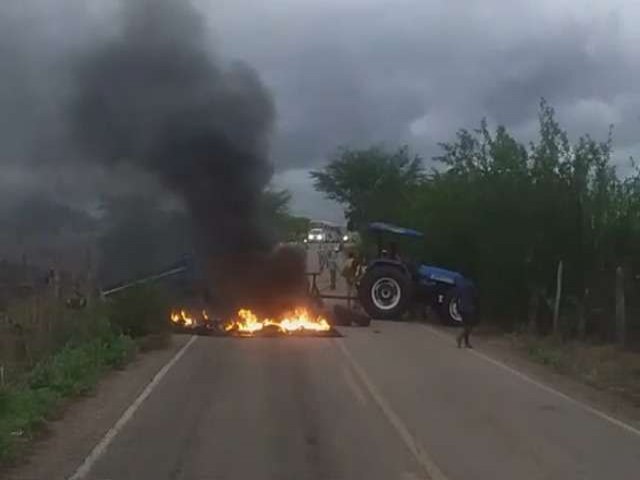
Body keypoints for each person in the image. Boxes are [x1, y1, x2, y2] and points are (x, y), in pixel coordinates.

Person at [455, 279, 478, 348]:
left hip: (461, 308)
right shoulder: (472, 286)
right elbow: (475, 297)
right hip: (468, 309)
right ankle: (460, 337)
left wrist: (457, 306)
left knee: (465, 325)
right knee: (469, 326)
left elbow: (457, 297)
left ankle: (466, 343)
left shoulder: (462, 285)